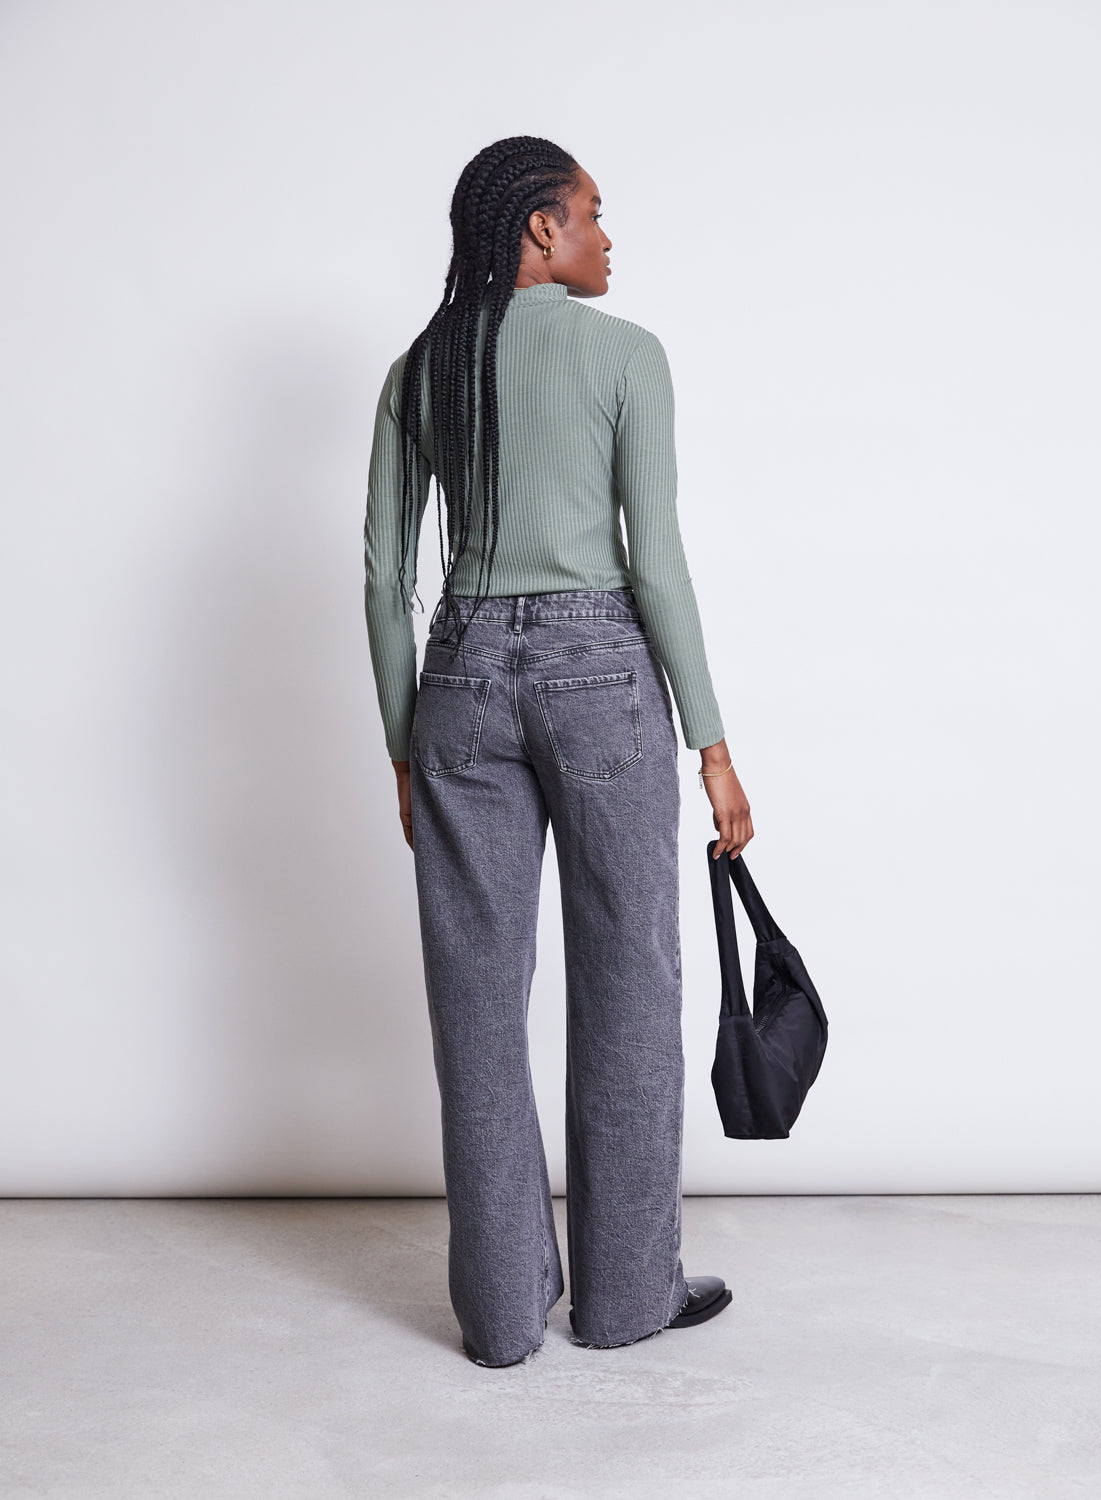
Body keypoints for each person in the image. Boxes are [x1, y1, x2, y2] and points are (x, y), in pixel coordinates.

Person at [363, 136, 753, 1367]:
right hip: (600, 676)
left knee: (474, 1000)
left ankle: (496, 1317)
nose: (604, 235)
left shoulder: (423, 369)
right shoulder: (625, 355)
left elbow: (384, 580)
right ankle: (628, 1298)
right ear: (538, 229)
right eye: (590, 213)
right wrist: (714, 740)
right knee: (629, 977)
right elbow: (660, 563)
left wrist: (402, 745)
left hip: (461, 682)